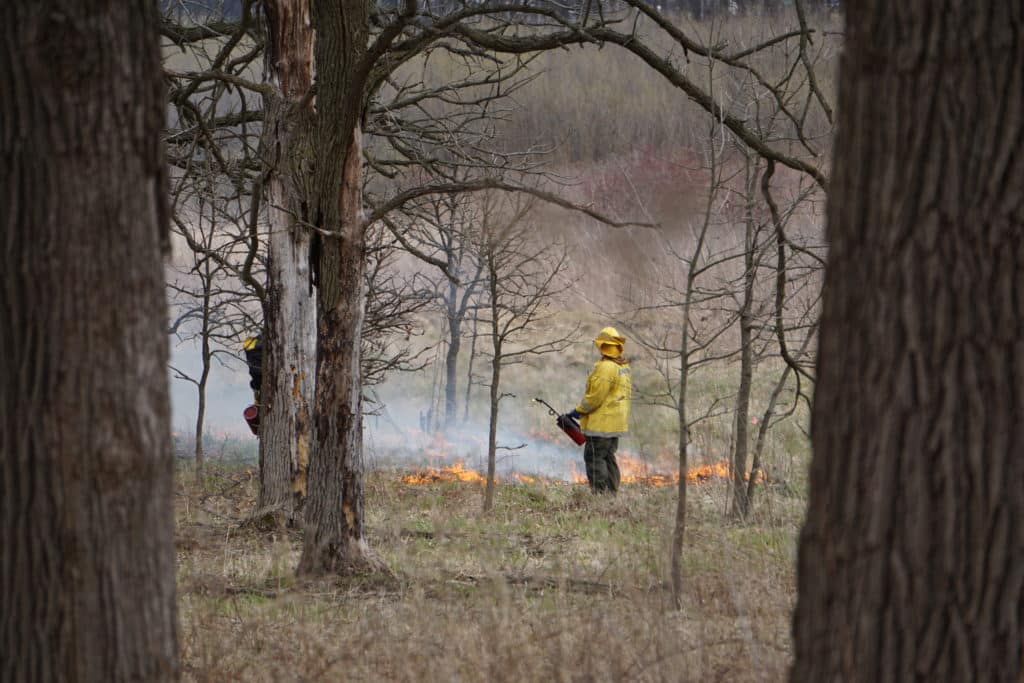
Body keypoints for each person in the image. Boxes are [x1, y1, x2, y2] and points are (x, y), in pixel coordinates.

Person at [567, 327, 632, 493]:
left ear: (603, 346)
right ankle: (611, 494)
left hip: (602, 424)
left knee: (594, 457)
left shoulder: (605, 368)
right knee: (608, 457)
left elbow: (595, 397)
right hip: (616, 423)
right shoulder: (623, 366)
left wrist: (579, 411)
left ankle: (600, 494)